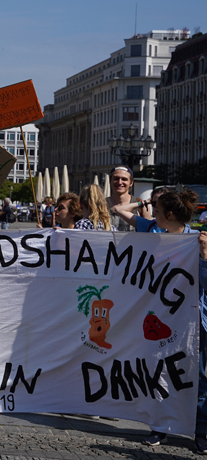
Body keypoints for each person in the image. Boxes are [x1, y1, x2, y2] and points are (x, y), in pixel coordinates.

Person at [111, 189, 202, 448]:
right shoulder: (151, 230)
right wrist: (147, 201)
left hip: (188, 320)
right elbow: (118, 210)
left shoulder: (195, 240)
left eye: (158, 210)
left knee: (192, 373)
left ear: (170, 215)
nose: (152, 213)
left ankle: (199, 430)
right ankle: (159, 427)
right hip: (154, 316)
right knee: (157, 371)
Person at [107, 166, 150, 230]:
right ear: (110, 181)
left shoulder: (141, 204)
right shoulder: (100, 204)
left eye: (124, 179)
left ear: (131, 182)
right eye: (116, 178)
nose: (119, 182)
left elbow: (148, 230)